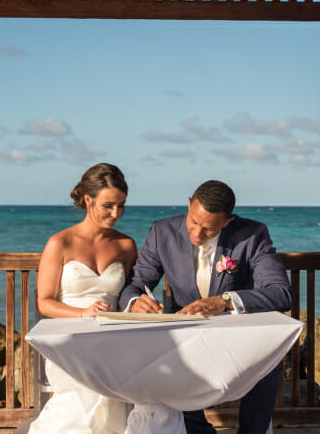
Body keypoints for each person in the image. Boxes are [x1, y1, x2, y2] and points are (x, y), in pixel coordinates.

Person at [118, 179, 293, 434]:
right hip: (185, 338)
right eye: (194, 222)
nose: (198, 234)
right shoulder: (162, 232)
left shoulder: (252, 234)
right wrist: (135, 303)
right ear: (189, 204)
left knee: (266, 360)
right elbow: (135, 285)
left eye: (210, 230)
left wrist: (225, 302)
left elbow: (281, 293)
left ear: (227, 221)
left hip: (235, 337)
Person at [28, 163, 136, 434]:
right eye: (107, 205)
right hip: (71, 336)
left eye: (121, 206)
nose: (115, 214)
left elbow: (130, 295)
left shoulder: (126, 245)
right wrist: (82, 313)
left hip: (113, 335)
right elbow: (45, 302)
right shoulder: (60, 243)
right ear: (88, 200)